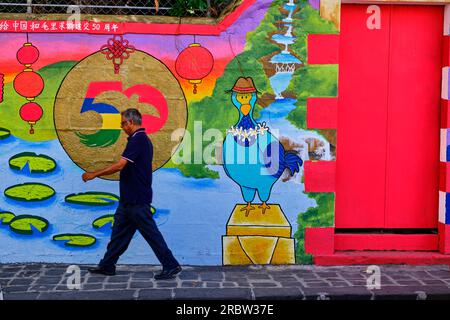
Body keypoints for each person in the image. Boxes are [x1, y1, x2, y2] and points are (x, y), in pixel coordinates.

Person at [82, 108, 181, 280]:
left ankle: (171, 265)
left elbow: (120, 165)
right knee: (119, 234)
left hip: (137, 199)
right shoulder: (138, 140)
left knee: (151, 234)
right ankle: (107, 265)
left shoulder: (139, 140)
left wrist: (94, 174)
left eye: (122, 123)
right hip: (128, 199)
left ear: (130, 122)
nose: (122, 127)